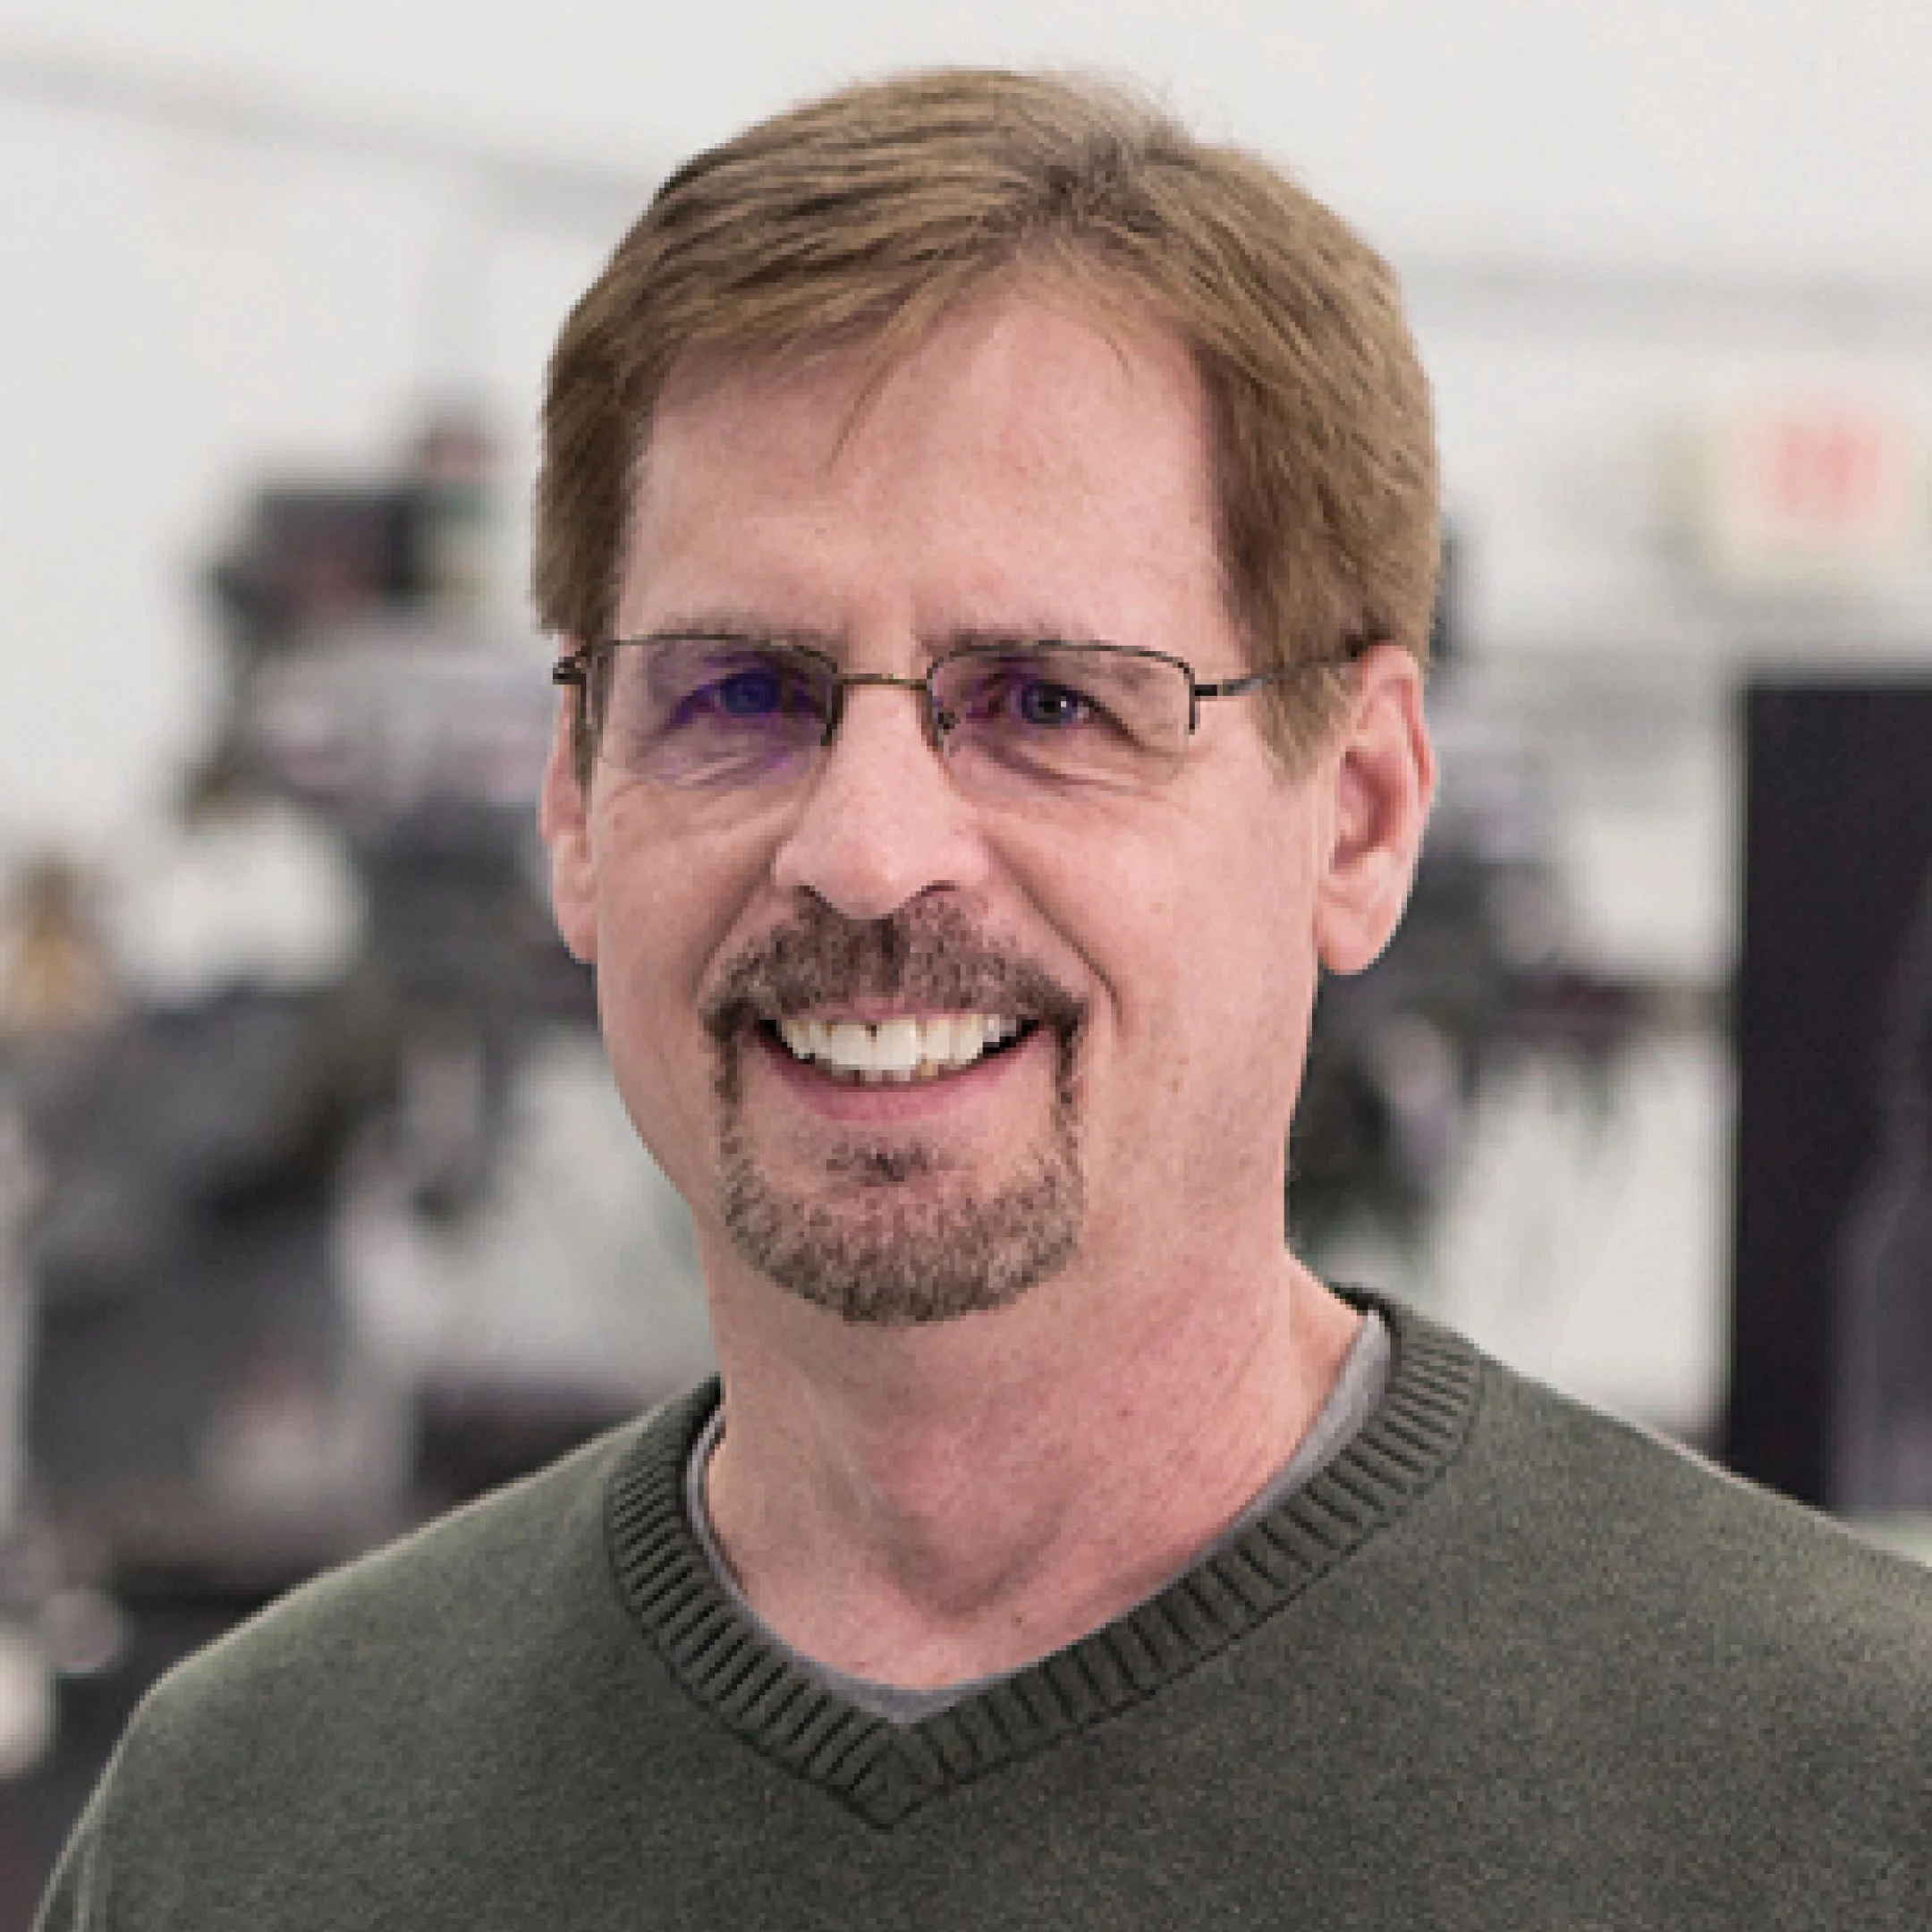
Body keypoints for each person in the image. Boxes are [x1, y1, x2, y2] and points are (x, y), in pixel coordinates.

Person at [38, 69, 1929, 1931]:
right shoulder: (252, 1826)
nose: (867, 854)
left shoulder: (1842, 1804)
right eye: (741, 695)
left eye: (1048, 703)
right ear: (575, 807)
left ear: (1359, 814)